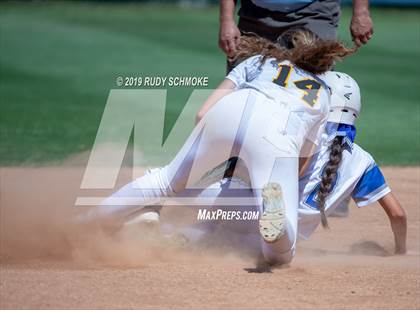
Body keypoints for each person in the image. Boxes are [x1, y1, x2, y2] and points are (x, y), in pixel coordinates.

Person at [83, 31, 354, 264]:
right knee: (282, 253)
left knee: (165, 180)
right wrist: (261, 178)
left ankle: (85, 222)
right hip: (277, 132)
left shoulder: (259, 62)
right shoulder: (322, 92)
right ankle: (274, 217)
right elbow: (299, 164)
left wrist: (222, 153)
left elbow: (202, 113)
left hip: (228, 111)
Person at [168, 71, 407, 263]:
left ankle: (163, 222)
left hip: (242, 210)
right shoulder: (363, 161)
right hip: (281, 239)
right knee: (230, 241)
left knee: (203, 190)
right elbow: (397, 214)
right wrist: (400, 251)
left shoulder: (305, 135)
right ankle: (194, 236)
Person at [219, 0, 374, 61]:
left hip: (314, 10)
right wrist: (226, 19)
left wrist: (361, 12)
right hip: (256, 13)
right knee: (244, 87)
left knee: (313, 86)